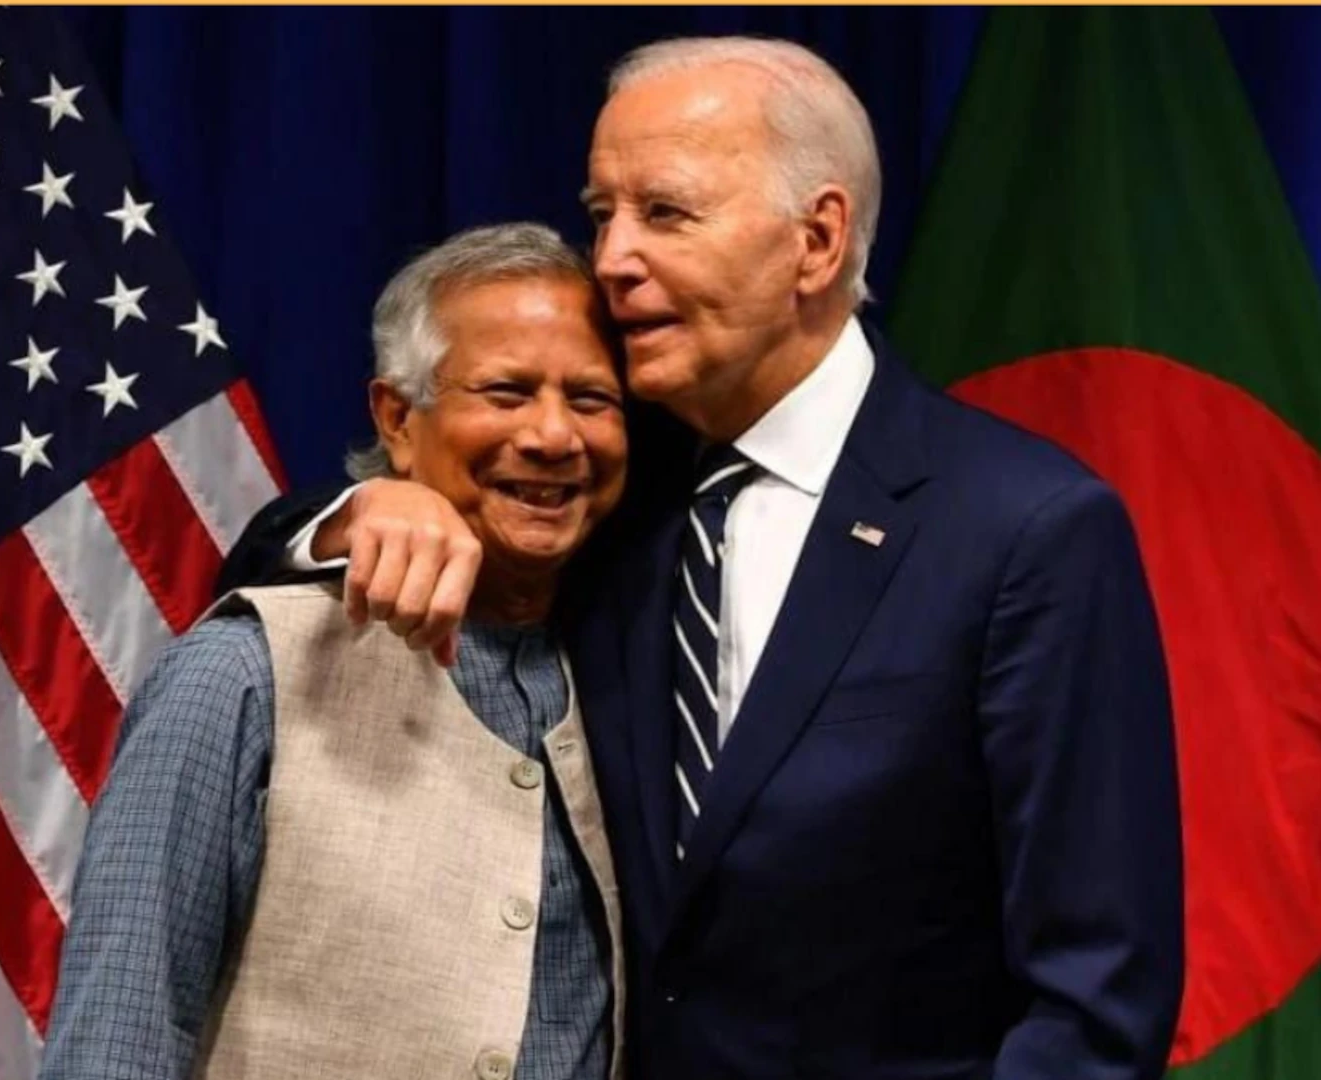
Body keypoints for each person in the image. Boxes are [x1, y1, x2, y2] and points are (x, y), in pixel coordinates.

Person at [220, 36, 1185, 1080]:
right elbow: (258, 569)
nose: (612, 260)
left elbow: (1094, 1002)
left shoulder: (1024, 529)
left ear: (817, 241)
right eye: (603, 215)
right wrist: (367, 510)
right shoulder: (606, 480)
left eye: (664, 213)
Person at [40, 223, 632, 1080]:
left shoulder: (634, 672)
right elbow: (117, 1039)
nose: (552, 434)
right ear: (397, 419)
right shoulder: (242, 673)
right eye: (506, 392)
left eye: (591, 399)